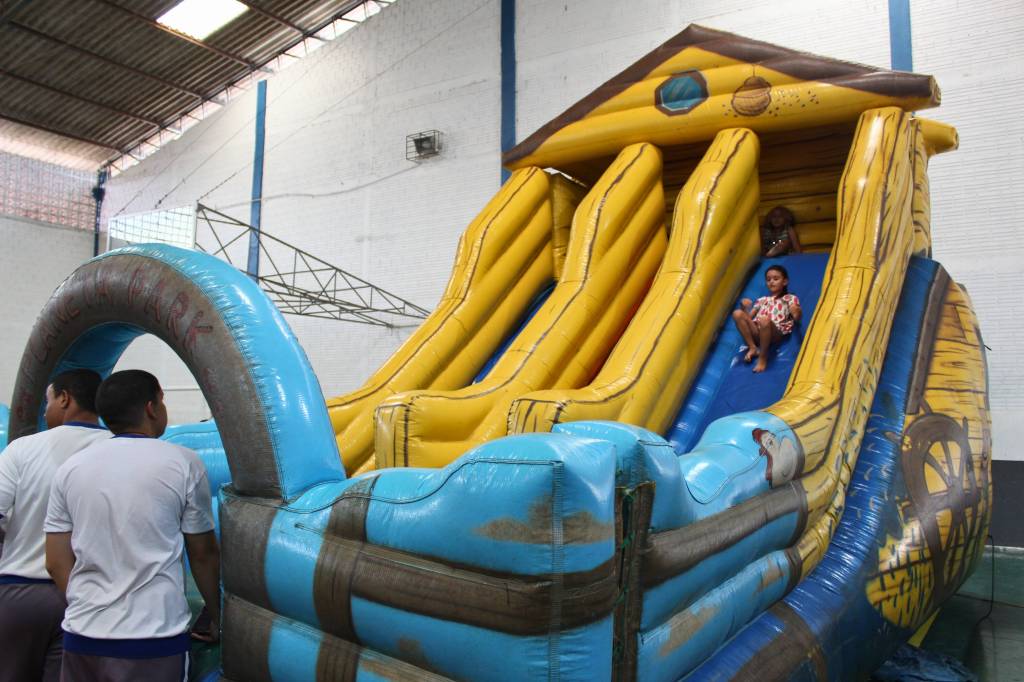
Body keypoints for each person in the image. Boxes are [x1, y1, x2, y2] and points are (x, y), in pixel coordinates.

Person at [44, 370, 220, 682]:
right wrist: (217, 615)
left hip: (83, 636)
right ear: (152, 408)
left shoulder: (71, 468)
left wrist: (90, 606)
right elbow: (202, 554)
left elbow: (56, 561)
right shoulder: (184, 462)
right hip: (154, 638)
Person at [0, 369, 109, 682]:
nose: (45, 411)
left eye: (47, 401)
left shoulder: (23, 448)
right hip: (93, 595)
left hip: (22, 591)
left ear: (64, 398)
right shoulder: (117, 449)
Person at [732, 265, 802, 373]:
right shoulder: (762, 300)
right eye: (768, 279)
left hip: (775, 332)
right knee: (737, 313)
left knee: (764, 319)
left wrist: (796, 311)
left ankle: (763, 357)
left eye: (776, 279)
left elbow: (797, 317)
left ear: (784, 282)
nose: (771, 282)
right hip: (758, 331)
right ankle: (752, 347)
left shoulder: (790, 298)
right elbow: (748, 319)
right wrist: (743, 308)